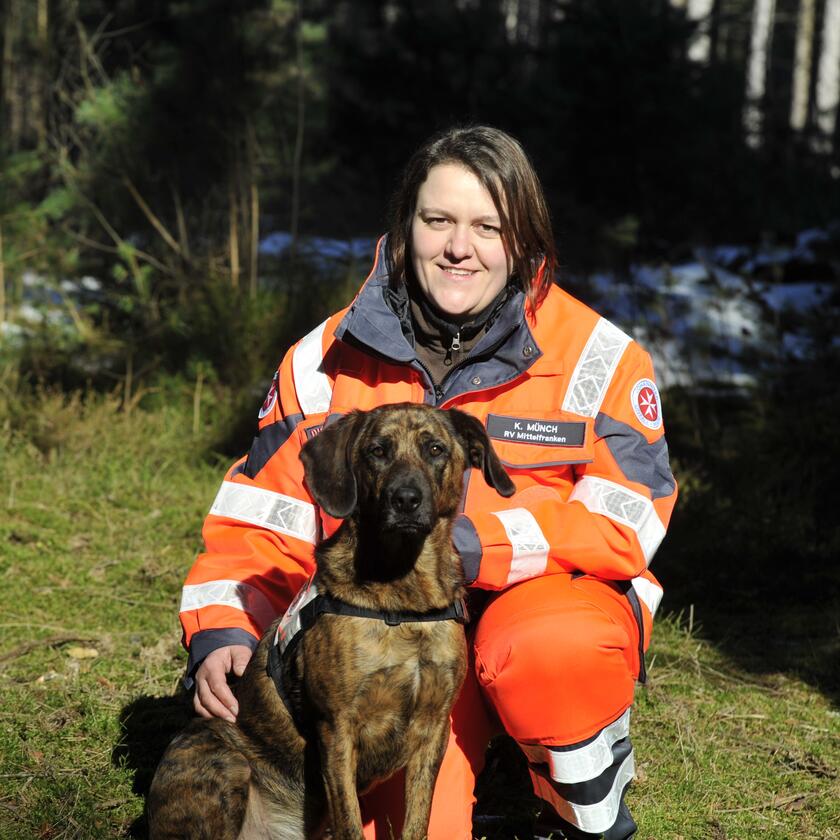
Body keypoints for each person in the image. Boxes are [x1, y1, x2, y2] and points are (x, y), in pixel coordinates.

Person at [178, 125, 677, 840]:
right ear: (405, 226)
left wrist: (472, 546)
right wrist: (225, 626)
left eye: (488, 227)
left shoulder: (600, 358)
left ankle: (578, 815)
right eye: (437, 220)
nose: (458, 247)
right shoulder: (323, 359)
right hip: (384, 636)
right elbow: (263, 516)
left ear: (525, 239)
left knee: (549, 651)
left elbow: (628, 520)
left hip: (535, 615)